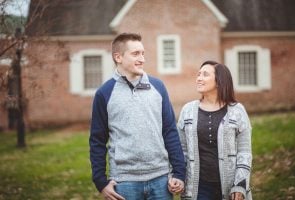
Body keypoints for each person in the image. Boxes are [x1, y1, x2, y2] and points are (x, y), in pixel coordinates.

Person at [89, 33, 186, 200]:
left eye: (143, 53)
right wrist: (101, 181)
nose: (142, 59)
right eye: (135, 54)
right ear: (118, 57)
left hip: (161, 180)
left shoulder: (158, 87)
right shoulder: (104, 93)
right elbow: (97, 140)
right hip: (124, 182)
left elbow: (170, 131)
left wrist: (179, 172)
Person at [177, 61, 252, 200]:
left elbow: (244, 152)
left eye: (205, 75)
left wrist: (240, 185)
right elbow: (181, 150)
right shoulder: (188, 110)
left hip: (230, 186)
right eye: (198, 74)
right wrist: (176, 176)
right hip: (198, 188)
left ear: (219, 81)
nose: (199, 78)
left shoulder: (237, 111)